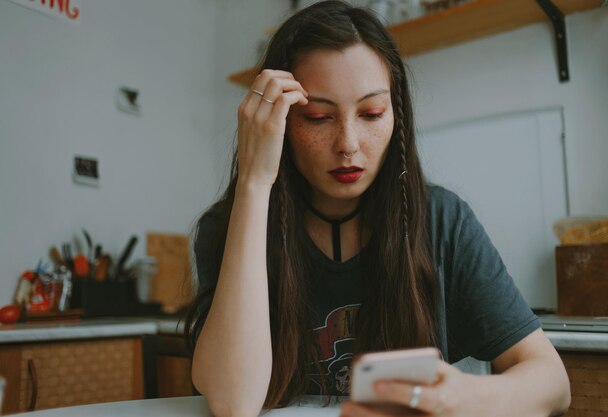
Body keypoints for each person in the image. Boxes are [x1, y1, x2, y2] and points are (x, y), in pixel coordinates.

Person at [185, 1, 571, 416]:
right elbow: (233, 403)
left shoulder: (443, 221)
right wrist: (254, 183)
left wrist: (464, 397)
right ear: (278, 122)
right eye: (317, 117)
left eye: (371, 113)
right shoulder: (228, 226)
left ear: (396, 117)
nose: (348, 143)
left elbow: (552, 382)